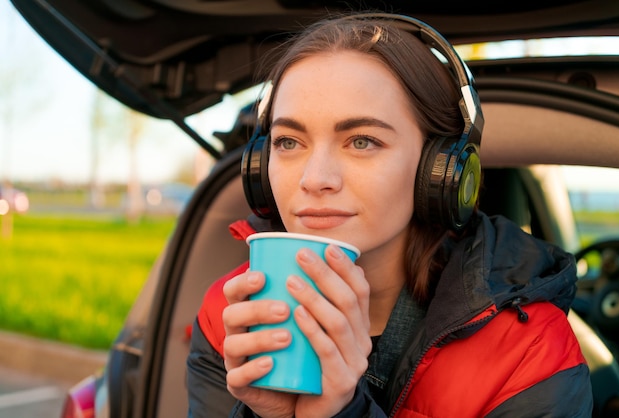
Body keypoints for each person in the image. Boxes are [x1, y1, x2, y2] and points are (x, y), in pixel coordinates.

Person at [187, 11, 593, 417]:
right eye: (289, 142)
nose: (315, 179)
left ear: (438, 172)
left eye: (362, 141)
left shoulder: (530, 353)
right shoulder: (229, 319)